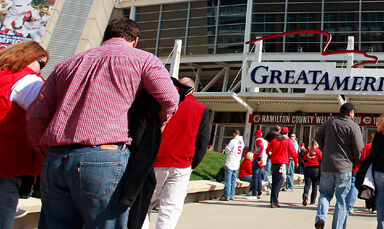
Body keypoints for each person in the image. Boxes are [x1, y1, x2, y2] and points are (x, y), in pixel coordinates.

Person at [26, 18, 179, 228]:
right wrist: (160, 122)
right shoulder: (144, 60)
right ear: (135, 40)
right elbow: (169, 97)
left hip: (57, 157)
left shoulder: (67, 64)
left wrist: (43, 149)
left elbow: (36, 115)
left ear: (105, 37)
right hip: (104, 154)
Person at [148, 77, 210, 228]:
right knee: (170, 208)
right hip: (182, 164)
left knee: (145, 204)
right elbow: (203, 141)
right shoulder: (200, 109)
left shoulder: (163, 103)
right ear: (193, 90)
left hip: (156, 161)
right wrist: (193, 163)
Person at [0, 41, 48, 227]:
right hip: (8, 160)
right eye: (41, 63)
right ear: (28, 57)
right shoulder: (28, 80)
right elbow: (43, 113)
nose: (41, 69)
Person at [314, 102, 363, 229]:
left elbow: (317, 137)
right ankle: (338, 227)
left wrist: (325, 149)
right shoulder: (353, 126)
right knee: (342, 200)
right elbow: (358, 148)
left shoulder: (329, 123)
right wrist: (356, 161)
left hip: (327, 165)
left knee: (325, 193)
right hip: (344, 166)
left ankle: (321, 216)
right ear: (350, 113)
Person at [267, 126, 298, 208]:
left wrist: (271, 156)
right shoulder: (288, 141)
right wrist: (296, 162)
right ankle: (274, 201)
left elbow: (268, 150)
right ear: (287, 133)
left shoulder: (274, 140)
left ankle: (274, 200)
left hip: (274, 162)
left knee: (275, 181)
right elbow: (293, 153)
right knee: (280, 181)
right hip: (282, 163)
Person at [220, 129, 244, 201]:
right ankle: (232, 194)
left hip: (230, 162)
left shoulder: (233, 141)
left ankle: (227, 195)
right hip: (237, 162)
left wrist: (225, 148)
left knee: (228, 180)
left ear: (234, 134)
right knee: (233, 180)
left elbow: (227, 151)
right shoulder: (241, 142)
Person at [246, 129, 268, 200]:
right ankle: (259, 193)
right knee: (259, 176)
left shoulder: (258, 140)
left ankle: (254, 193)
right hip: (263, 160)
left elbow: (261, 146)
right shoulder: (265, 141)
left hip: (257, 159)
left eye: (254, 135)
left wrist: (259, 154)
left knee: (255, 176)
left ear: (256, 135)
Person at [302, 139, 322, 206]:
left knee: (307, 184)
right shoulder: (318, 151)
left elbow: (304, 160)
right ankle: (312, 200)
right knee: (314, 185)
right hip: (315, 169)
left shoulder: (307, 151)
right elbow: (321, 160)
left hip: (308, 168)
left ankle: (305, 194)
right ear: (316, 144)